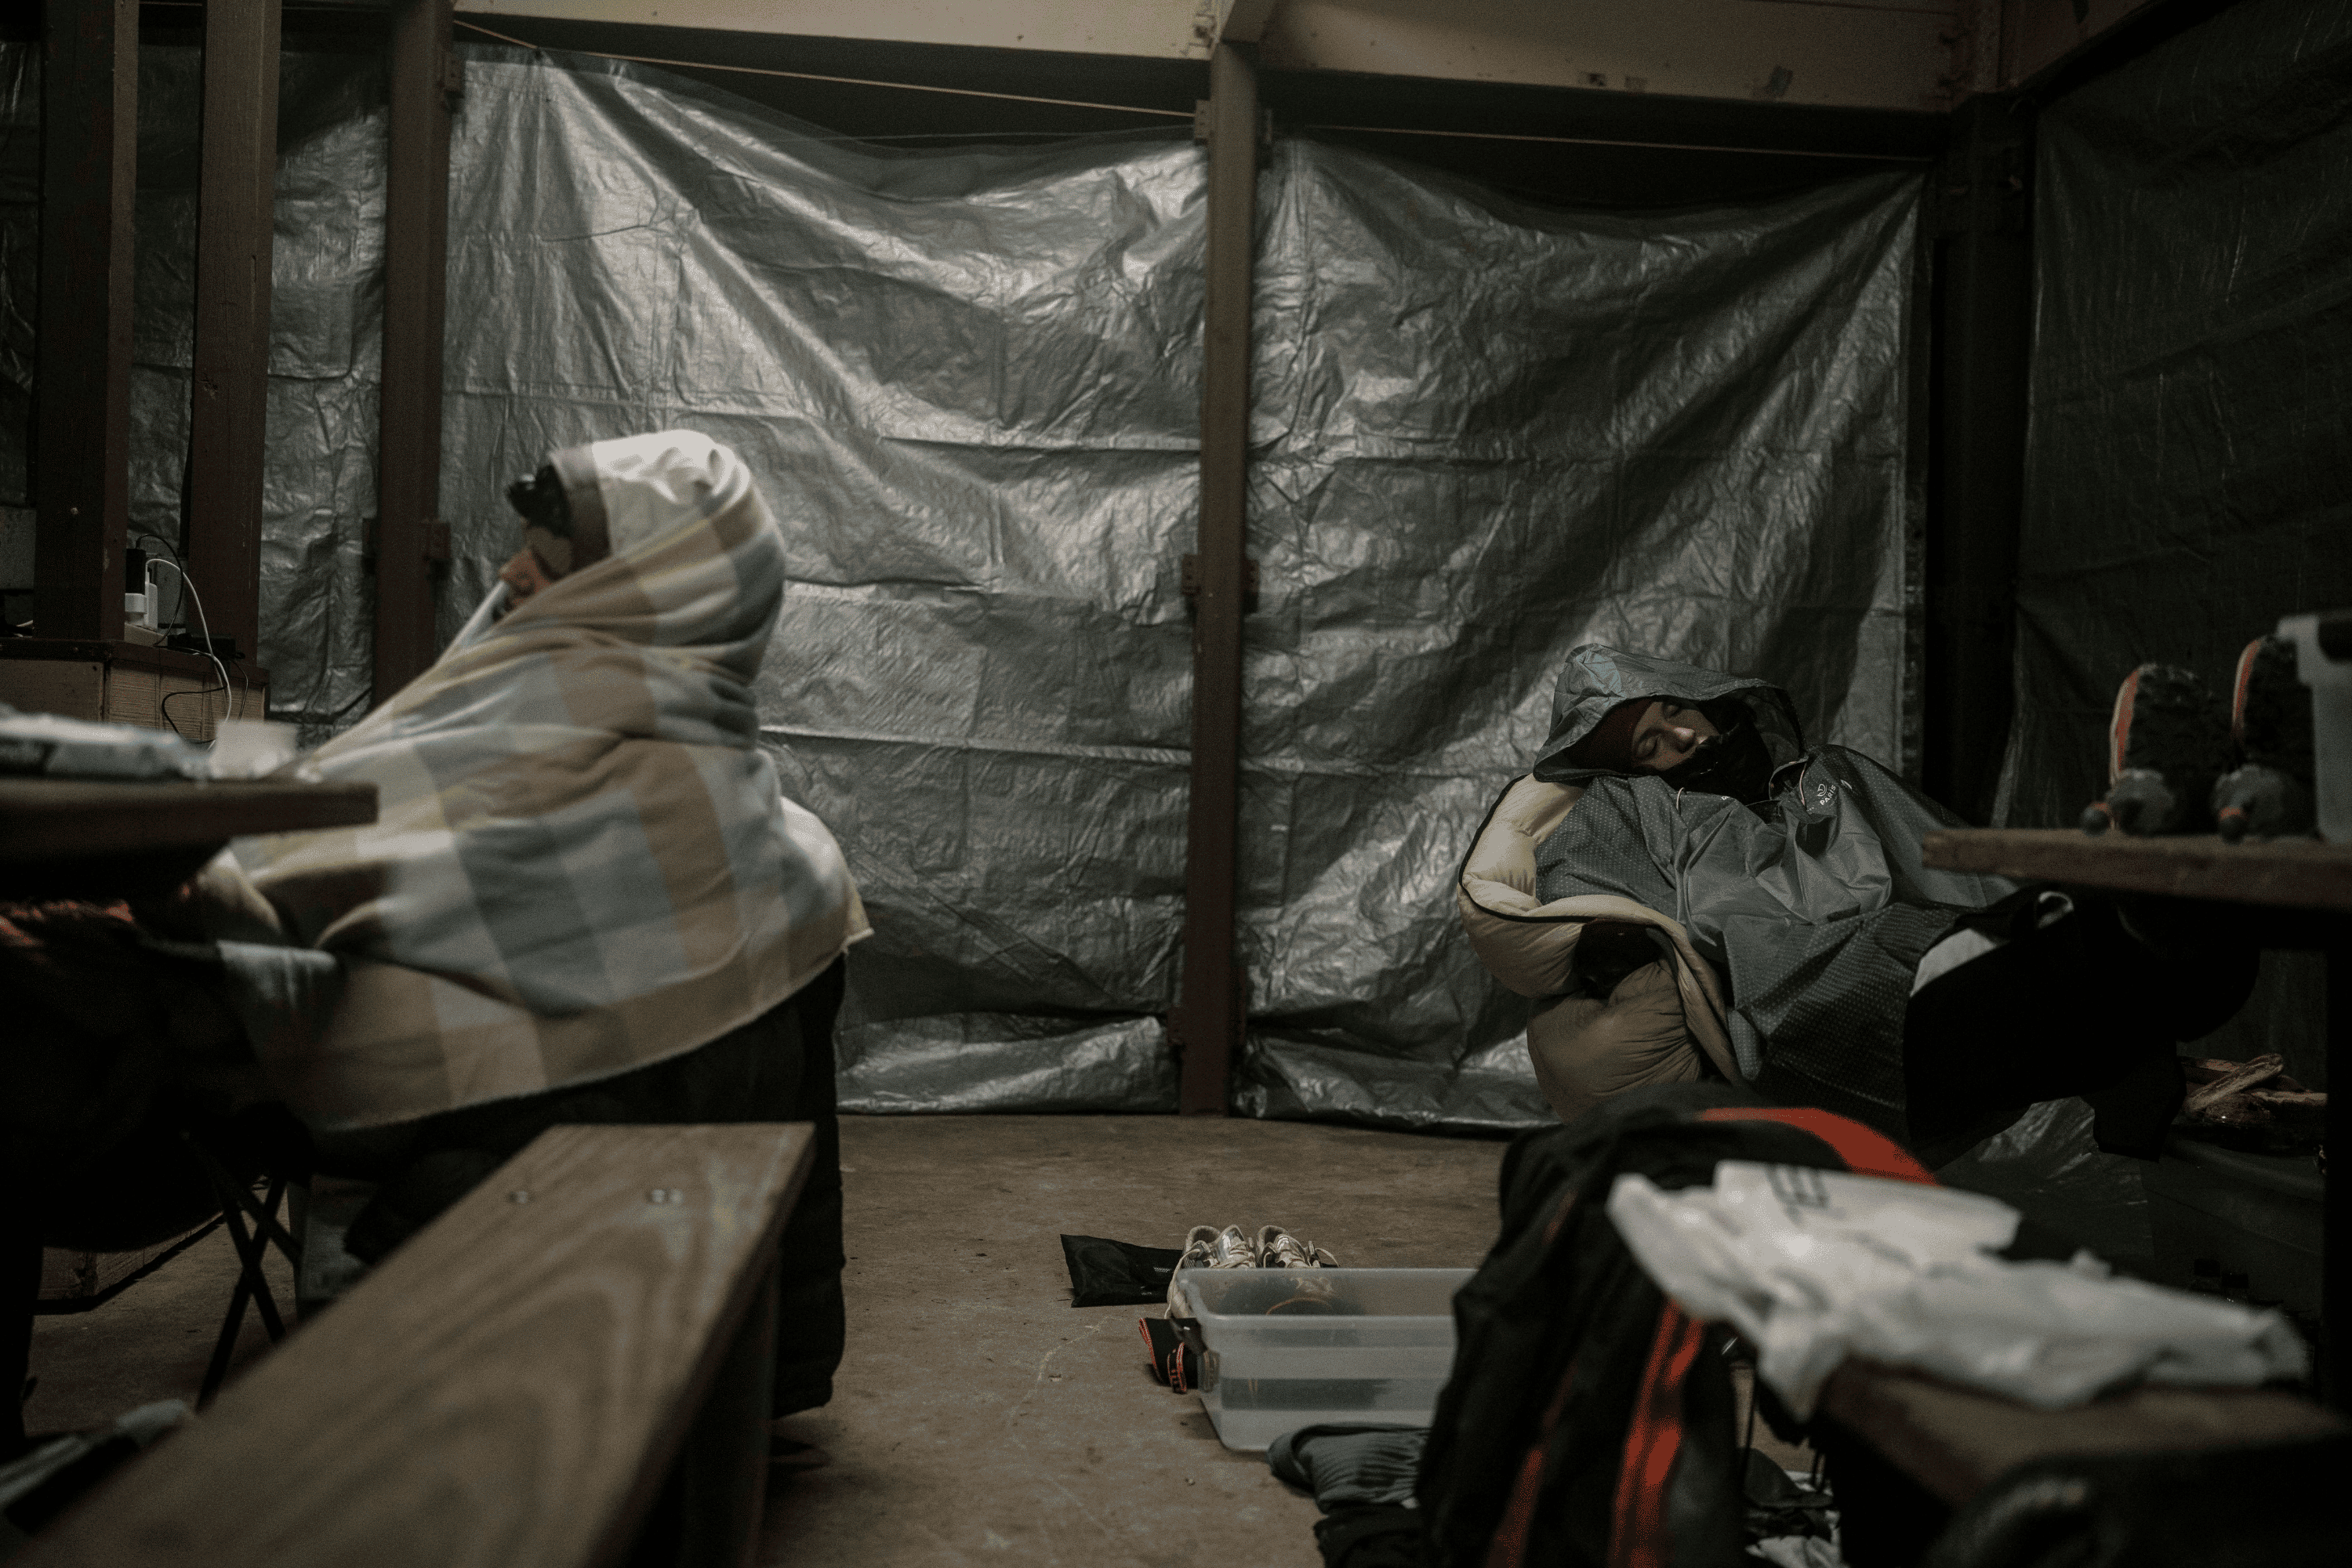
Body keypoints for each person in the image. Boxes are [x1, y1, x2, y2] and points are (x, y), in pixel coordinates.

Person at [214, 430, 869, 1428]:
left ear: (649, 596)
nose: (512, 573)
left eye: (553, 563)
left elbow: (352, 1017)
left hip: (506, 1273)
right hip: (690, 1307)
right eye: (525, 548)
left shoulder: (549, 790)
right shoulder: (776, 837)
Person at [1457, 644, 2253, 1163]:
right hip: (1831, 1004)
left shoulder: (1824, 776)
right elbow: (1580, 896)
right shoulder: (1627, 809)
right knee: (2051, 958)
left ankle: (2191, 879)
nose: (1684, 737)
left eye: (1674, 709)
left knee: (2150, 977)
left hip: (1935, 949)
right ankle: (2151, 874)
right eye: (1650, 743)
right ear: (1624, 766)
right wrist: (1615, 943)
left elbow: (1939, 853)